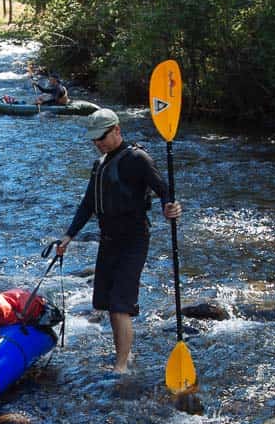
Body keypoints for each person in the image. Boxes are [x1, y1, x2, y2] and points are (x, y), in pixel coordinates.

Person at [54, 108, 182, 374]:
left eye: (101, 137)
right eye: (94, 139)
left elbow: (164, 190)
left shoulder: (138, 158)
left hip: (133, 240)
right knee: (105, 302)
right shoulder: (100, 164)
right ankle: (126, 353)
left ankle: (121, 365)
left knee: (119, 305)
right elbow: (88, 203)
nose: (97, 143)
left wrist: (170, 207)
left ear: (116, 130)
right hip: (108, 240)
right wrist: (69, 236)